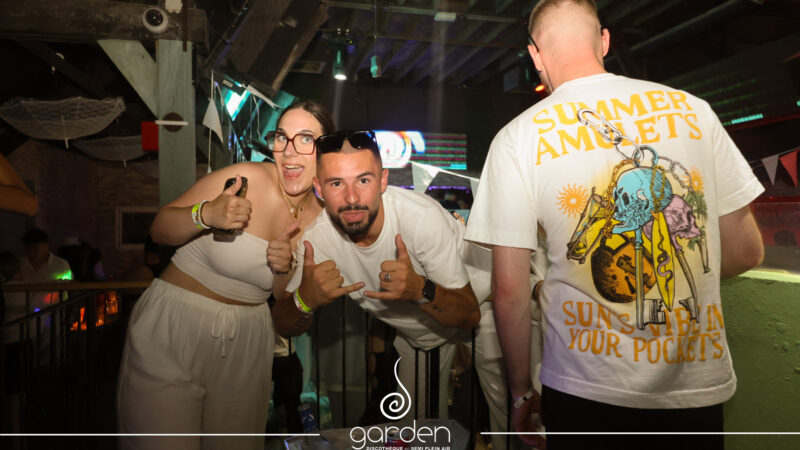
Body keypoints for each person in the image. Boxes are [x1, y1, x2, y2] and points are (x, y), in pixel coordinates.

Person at [465, 1, 765, 449]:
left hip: (583, 389)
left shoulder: (517, 138)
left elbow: (509, 293)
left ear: (535, 55)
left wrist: (521, 392)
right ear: (604, 41)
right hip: (694, 389)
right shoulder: (694, 111)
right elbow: (746, 252)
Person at [116, 100, 334, 450]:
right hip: (176, 327)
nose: (290, 151)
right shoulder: (247, 178)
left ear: (326, 150)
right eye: (282, 137)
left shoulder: (322, 221)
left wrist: (283, 270)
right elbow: (159, 229)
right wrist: (205, 214)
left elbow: (283, 305)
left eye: (305, 139)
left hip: (249, 341)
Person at [274, 130, 481, 420]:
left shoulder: (420, 218)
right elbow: (282, 324)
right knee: (417, 431)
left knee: (510, 419)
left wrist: (419, 289)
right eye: (336, 183)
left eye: (363, 180)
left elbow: (471, 315)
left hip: (486, 305)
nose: (351, 198)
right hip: (421, 337)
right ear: (319, 189)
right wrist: (303, 300)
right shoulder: (318, 241)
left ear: (383, 180)